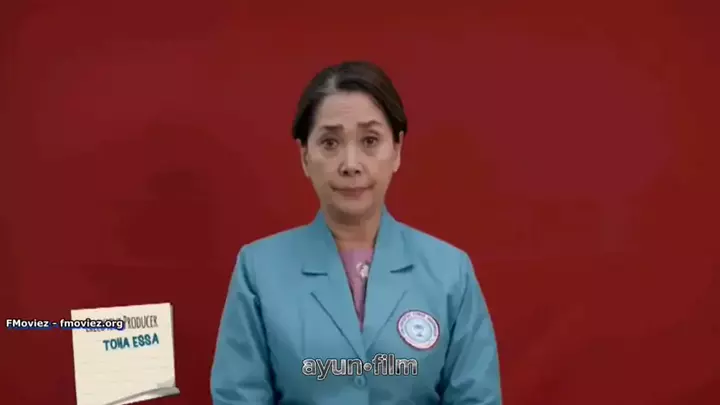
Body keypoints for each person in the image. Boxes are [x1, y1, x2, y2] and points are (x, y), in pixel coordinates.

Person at [211, 61, 502, 404]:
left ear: (397, 150)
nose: (350, 164)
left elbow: (476, 397)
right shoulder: (258, 270)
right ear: (305, 156)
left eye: (370, 140)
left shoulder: (450, 271)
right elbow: (239, 397)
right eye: (330, 143)